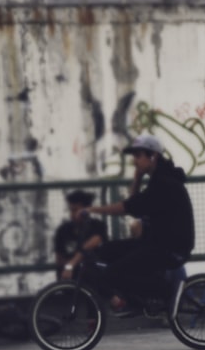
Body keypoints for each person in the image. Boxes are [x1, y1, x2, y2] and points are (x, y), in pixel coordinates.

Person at [79, 134, 195, 314]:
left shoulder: (164, 183)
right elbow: (135, 204)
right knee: (105, 251)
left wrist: (92, 210)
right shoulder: (158, 178)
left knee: (113, 273)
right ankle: (137, 299)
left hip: (170, 248)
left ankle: (165, 293)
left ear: (153, 156)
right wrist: (137, 177)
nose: (134, 161)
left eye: (138, 156)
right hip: (156, 243)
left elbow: (127, 207)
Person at [54, 189, 108, 279]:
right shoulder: (63, 230)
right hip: (70, 277)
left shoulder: (97, 226)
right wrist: (69, 266)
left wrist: (72, 263)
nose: (73, 214)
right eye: (71, 210)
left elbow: (92, 244)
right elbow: (59, 259)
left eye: (76, 210)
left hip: (93, 274)